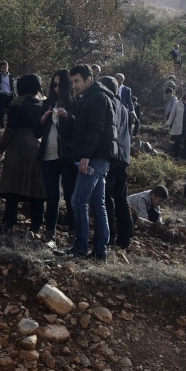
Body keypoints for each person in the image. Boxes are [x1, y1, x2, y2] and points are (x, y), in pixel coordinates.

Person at [66, 64, 120, 261]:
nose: (74, 85)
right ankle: (100, 252)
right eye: (72, 82)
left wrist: (86, 156)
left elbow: (95, 128)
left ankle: (80, 248)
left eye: (77, 81)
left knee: (78, 201)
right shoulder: (96, 96)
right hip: (101, 157)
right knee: (99, 205)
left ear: (89, 79)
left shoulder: (97, 97)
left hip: (94, 158)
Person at [0, 74, 46, 235]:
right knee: (37, 189)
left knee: (13, 186)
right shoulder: (44, 103)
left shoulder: (17, 102)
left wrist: (0, 149)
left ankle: (8, 222)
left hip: (19, 145)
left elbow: (10, 128)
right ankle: (36, 226)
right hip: (39, 147)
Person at [39, 70, 77, 250]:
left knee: (70, 197)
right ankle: (50, 234)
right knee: (52, 196)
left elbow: (79, 128)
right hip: (48, 155)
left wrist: (67, 116)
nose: (56, 88)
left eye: (60, 85)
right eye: (54, 85)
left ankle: (73, 234)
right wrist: (43, 119)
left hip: (67, 156)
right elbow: (36, 132)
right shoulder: (47, 102)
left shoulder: (74, 103)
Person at [99, 74, 135, 251]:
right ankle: (126, 236)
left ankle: (109, 235)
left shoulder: (108, 103)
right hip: (124, 155)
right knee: (122, 198)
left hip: (111, 155)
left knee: (107, 196)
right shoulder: (124, 107)